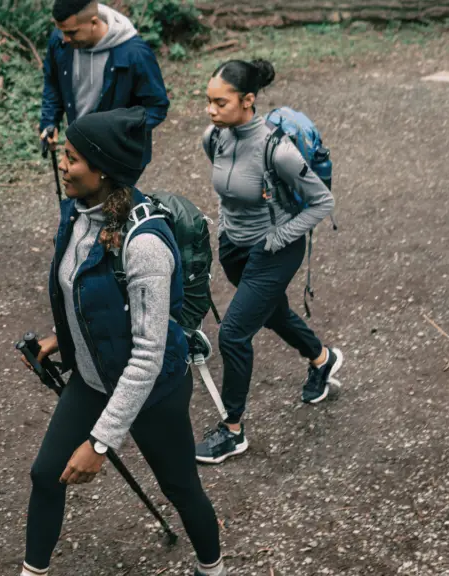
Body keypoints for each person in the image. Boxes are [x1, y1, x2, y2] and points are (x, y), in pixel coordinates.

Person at [20, 107, 226, 576]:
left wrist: (100, 443)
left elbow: (148, 356)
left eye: (72, 158)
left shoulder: (144, 246)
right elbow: (83, 290)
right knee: (44, 474)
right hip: (93, 378)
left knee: (180, 488)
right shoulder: (79, 213)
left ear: (104, 170)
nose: (62, 165)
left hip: (153, 391)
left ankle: (213, 569)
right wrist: (63, 339)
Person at [195, 59, 343, 465]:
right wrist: (226, 228)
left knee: (234, 334)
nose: (210, 110)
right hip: (235, 248)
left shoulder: (278, 149)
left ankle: (232, 430)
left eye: (220, 103)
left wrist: (277, 237)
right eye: (208, 101)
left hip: (276, 249)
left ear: (248, 101)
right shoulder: (216, 137)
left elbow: (322, 202)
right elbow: (231, 191)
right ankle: (322, 359)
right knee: (274, 314)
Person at [39, 0, 169, 166]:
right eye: (61, 31)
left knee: (109, 193)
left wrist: (119, 133)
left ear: (93, 22)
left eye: (71, 32)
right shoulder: (61, 42)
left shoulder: (135, 53)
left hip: (119, 157)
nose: (64, 39)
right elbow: (53, 83)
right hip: (80, 147)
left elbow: (156, 106)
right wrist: (49, 122)